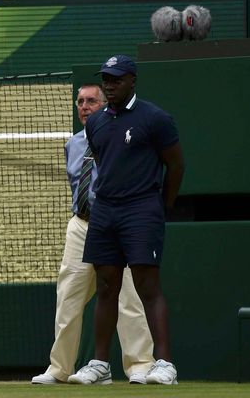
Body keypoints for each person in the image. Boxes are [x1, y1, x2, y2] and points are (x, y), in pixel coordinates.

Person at [69, 55, 185, 385]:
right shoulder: (96, 123)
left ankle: (164, 365)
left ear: (132, 80)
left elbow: (176, 167)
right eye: (106, 78)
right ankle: (100, 365)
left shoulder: (155, 118)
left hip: (142, 209)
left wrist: (162, 207)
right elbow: (106, 164)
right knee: (106, 286)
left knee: (148, 286)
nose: (110, 84)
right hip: (104, 211)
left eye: (116, 79)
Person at [31, 84, 154, 386]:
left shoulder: (120, 138)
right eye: (80, 102)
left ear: (104, 105)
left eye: (91, 101)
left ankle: (140, 365)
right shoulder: (72, 144)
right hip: (81, 224)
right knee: (69, 296)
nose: (85, 107)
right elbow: (77, 185)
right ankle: (59, 369)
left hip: (118, 224)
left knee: (128, 297)